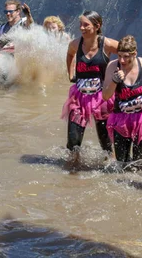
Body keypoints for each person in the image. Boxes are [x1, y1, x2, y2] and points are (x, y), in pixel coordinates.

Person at [61, 11, 118, 169]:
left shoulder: (107, 44)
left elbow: (127, 53)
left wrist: (118, 77)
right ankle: (73, 168)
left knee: (105, 141)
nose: (81, 28)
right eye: (80, 24)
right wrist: (70, 73)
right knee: (73, 140)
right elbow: (70, 54)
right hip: (79, 97)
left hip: (102, 98)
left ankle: (111, 166)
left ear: (97, 26)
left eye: (86, 24)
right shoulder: (75, 44)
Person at [102, 35, 142, 171]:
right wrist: (114, 81)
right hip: (121, 118)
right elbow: (106, 96)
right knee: (121, 163)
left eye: (126, 56)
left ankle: (140, 189)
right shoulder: (113, 66)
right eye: (119, 56)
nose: (122, 60)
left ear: (135, 54)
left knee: (139, 162)